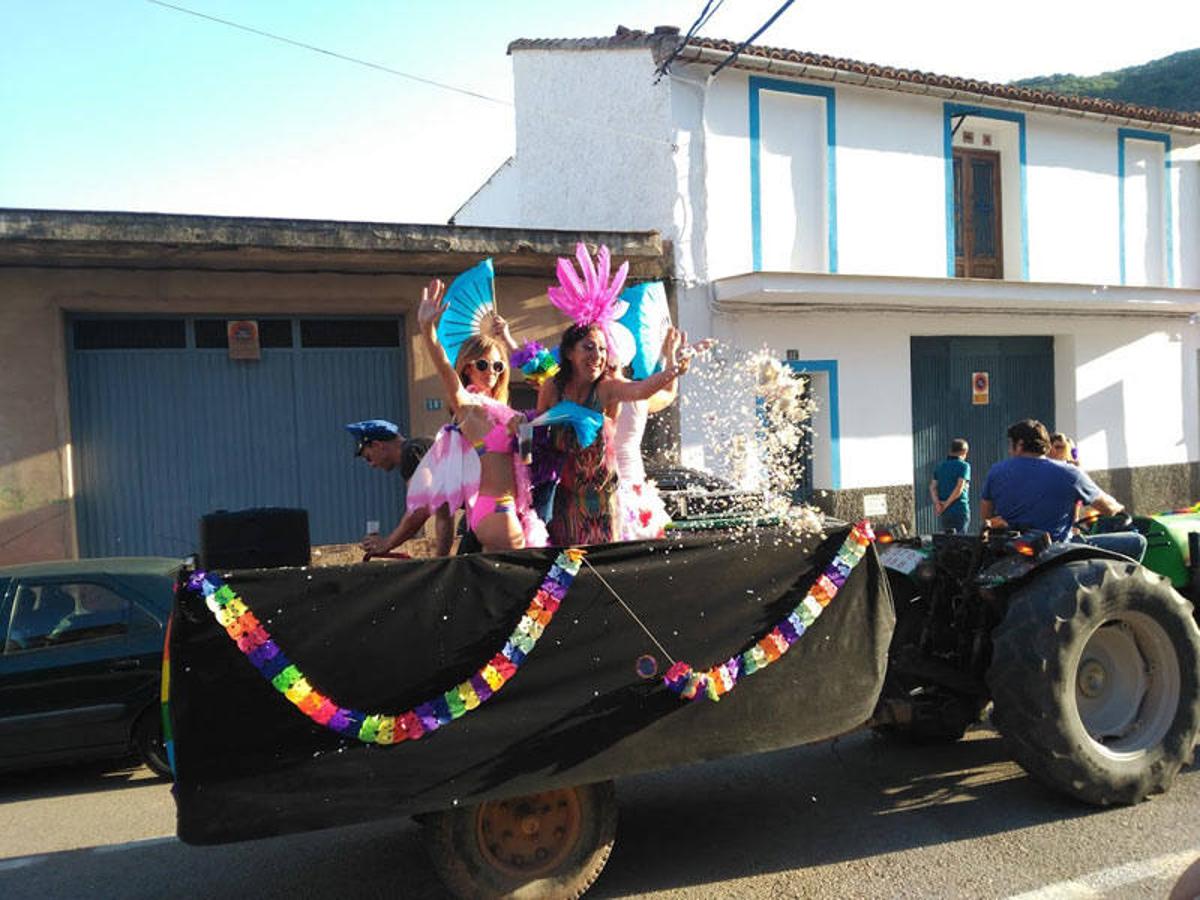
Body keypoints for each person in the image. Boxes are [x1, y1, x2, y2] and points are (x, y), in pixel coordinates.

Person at [415, 279, 546, 552]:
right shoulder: (468, 407)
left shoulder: (506, 413)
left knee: (504, 588)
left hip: (512, 509)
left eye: (498, 365)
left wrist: (523, 431)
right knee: (522, 585)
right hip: (496, 509)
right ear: (466, 368)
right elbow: (443, 369)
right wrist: (427, 331)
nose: (492, 371)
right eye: (483, 364)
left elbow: (526, 460)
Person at [537, 323, 689, 546]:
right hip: (564, 497)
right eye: (589, 347)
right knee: (567, 565)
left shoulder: (606, 388)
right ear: (569, 352)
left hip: (603, 498)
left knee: (604, 562)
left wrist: (675, 368)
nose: (597, 355)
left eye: (602, 349)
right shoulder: (552, 387)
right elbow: (537, 434)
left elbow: (641, 390)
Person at [979, 419, 1146, 560]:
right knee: (1137, 541)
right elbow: (1108, 508)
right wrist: (1119, 509)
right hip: (1057, 551)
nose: (1010, 450)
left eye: (1011, 445)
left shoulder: (996, 471)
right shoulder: (1070, 473)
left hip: (1012, 549)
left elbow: (986, 515)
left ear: (1020, 445)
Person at [346, 419, 453, 557]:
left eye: (369, 457)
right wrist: (441, 561)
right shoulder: (423, 446)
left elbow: (420, 509)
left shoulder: (410, 453)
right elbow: (444, 514)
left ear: (378, 445)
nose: (372, 465)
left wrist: (388, 543)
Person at [929, 438, 971, 533]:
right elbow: (959, 488)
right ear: (964, 452)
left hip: (945, 513)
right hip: (959, 509)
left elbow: (932, 487)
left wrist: (938, 504)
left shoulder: (940, 466)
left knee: (948, 541)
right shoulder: (964, 466)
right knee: (960, 542)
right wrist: (946, 504)